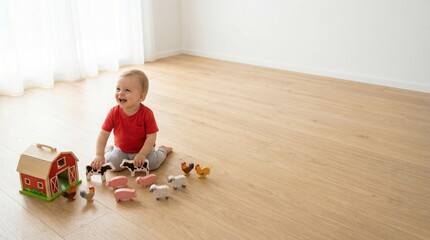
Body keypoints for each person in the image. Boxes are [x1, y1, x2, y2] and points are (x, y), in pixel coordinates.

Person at [91, 69, 172, 172]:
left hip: (144, 149)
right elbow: (103, 134)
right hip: (122, 149)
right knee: (112, 165)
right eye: (118, 89)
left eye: (127, 90)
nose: (120, 93)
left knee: (152, 164)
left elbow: (151, 137)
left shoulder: (147, 114)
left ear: (141, 97)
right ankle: (108, 150)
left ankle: (162, 150)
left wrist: (142, 154)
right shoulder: (113, 112)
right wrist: (99, 154)